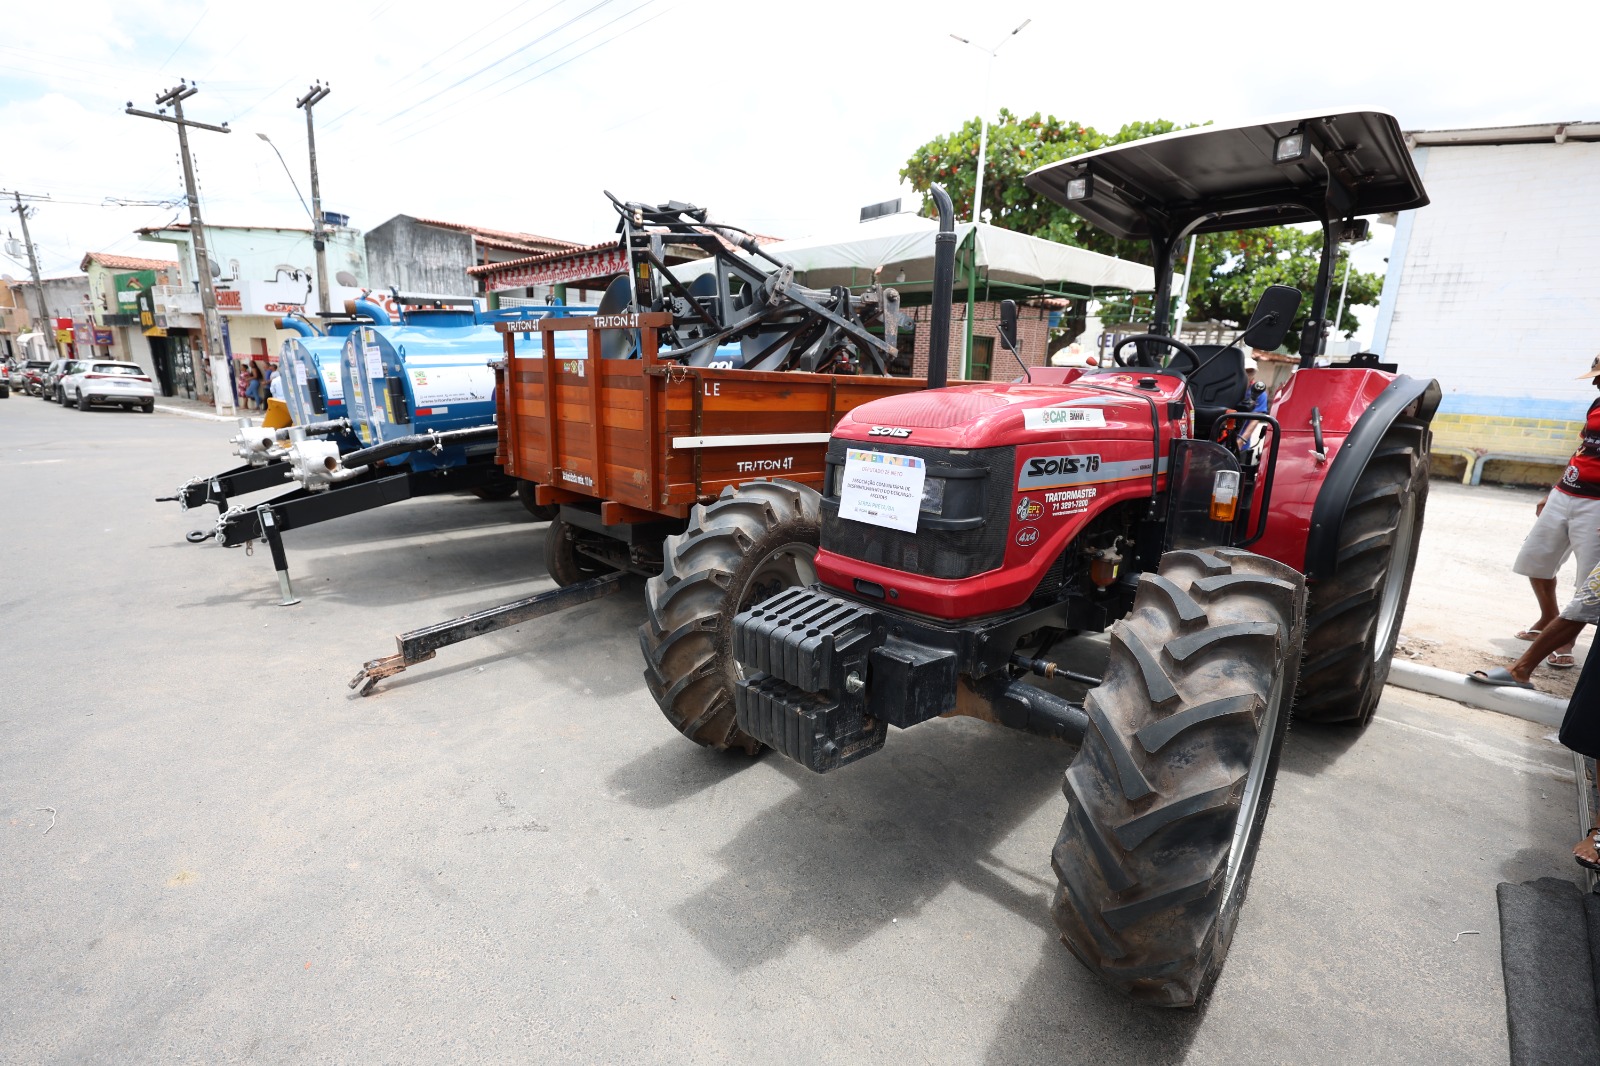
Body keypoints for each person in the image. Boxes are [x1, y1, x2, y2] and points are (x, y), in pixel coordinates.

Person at [1505, 353, 1600, 670]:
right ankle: (1548, 615)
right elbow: (1582, 449)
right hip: (1566, 493)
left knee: (1588, 581)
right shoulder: (1597, 404)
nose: (1596, 381)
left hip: (1597, 505)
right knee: (1536, 558)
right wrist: (1555, 488)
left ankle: (1565, 639)